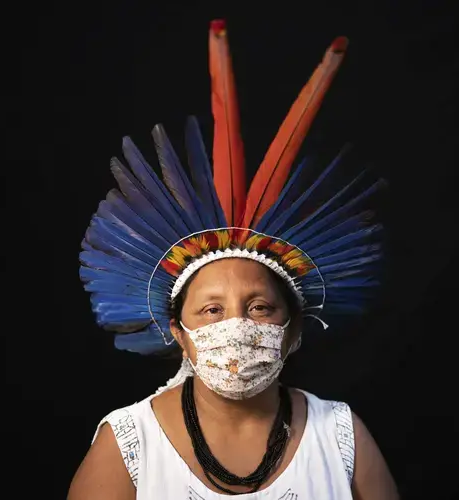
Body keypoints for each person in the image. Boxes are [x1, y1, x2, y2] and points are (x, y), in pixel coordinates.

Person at [68, 19, 399, 500]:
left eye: (260, 307)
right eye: (211, 310)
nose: (237, 326)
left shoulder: (341, 434)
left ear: (295, 329)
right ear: (178, 331)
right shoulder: (128, 443)